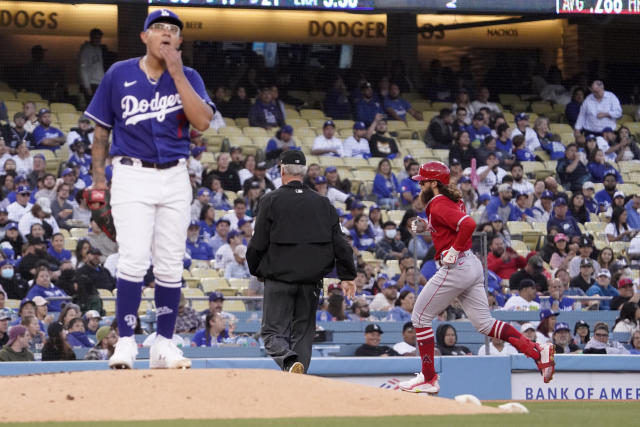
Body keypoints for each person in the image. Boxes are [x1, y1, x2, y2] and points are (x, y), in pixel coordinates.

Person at [84, 9, 214, 370]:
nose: (166, 33)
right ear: (145, 37)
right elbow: (100, 133)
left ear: (180, 41)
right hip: (131, 173)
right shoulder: (119, 73)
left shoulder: (188, 76)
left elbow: (202, 122)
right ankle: (126, 341)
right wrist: (98, 181)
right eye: (158, 28)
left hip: (175, 175)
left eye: (173, 29)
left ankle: (165, 344)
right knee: (134, 259)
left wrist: (176, 72)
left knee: (171, 263)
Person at [399, 161, 554, 395]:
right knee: (485, 324)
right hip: (471, 263)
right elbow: (451, 225)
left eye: (422, 182)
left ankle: (429, 378)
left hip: (458, 265)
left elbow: (468, 224)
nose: (419, 186)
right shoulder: (450, 199)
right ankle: (535, 351)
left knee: (420, 317)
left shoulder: (438, 201)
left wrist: (452, 250)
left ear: (432, 183)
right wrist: (428, 227)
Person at [247, 150, 356, 374]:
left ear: (282, 170)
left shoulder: (271, 200)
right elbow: (341, 243)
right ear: (304, 172)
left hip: (279, 279)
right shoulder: (323, 203)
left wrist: (256, 269)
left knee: (271, 333)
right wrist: (347, 276)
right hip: (311, 281)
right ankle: (299, 376)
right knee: (304, 334)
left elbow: (258, 243)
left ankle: (288, 361)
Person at [78, 28, 105, 100]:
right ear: (91, 37)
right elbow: (83, 69)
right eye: (96, 38)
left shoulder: (99, 49)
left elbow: (99, 68)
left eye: (100, 38)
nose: (98, 40)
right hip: (91, 84)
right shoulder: (86, 50)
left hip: (99, 82)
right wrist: (87, 86)